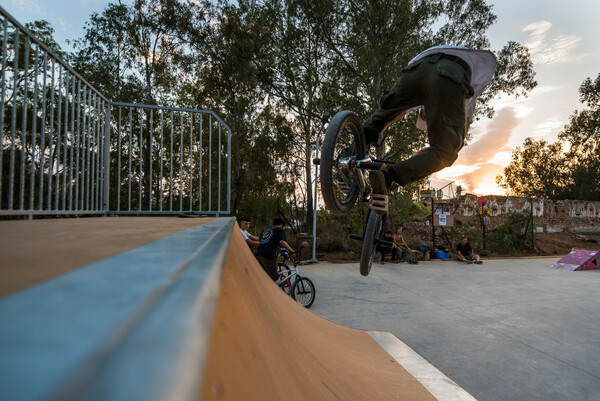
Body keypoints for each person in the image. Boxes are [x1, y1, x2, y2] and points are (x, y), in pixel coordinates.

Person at [363, 46, 498, 214]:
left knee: (376, 121)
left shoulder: (425, 93)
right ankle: (388, 176)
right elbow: (464, 129)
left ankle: (353, 150)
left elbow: (398, 111)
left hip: (416, 68)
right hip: (453, 72)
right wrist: (431, 155)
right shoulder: (463, 98)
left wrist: (379, 126)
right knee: (446, 154)